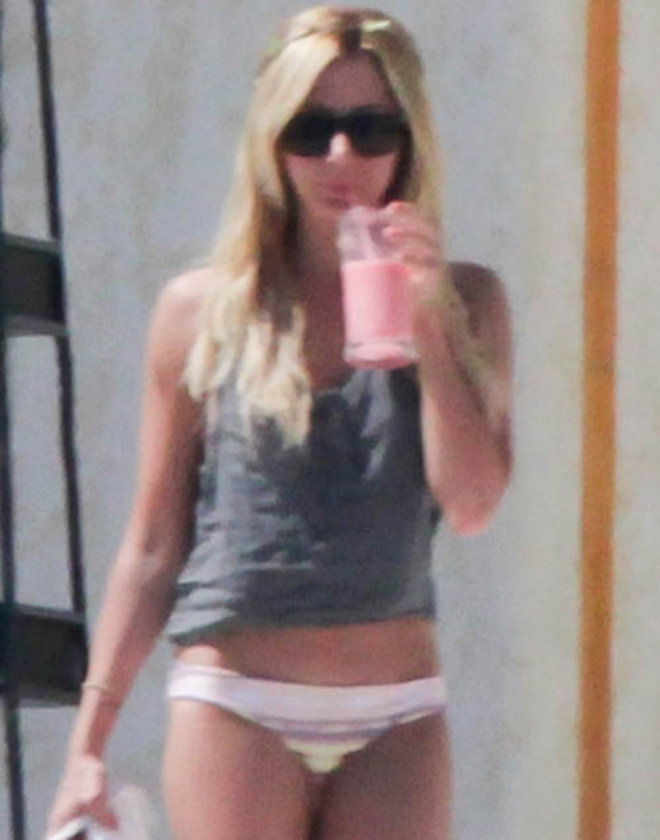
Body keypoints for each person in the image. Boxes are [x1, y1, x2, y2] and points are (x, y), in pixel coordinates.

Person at [46, 6, 512, 840]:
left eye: (372, 128)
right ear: (271, 140)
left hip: (398, 711)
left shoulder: (468, 300)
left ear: (410, 140)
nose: (342, 156)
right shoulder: (202, 311)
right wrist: (88, 746)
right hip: (238, 701)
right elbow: (153, 544)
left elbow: (473, 504)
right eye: (311, 128)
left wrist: (429, 323)